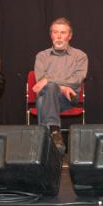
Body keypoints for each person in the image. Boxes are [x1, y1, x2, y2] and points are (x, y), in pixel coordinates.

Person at [33, 17, 88, 154]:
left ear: (70, 36)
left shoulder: (80, 56)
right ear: (51, 35)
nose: (59, 36)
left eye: (63, 32)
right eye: (55, 32)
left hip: (68, 99)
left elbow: (77, 79)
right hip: (47, 95)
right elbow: (41, 80)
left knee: (44, 97)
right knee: (46, 94)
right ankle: (54, 133)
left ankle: (45, 147)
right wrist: (62, 87)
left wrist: (49, 81)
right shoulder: (41, 56)